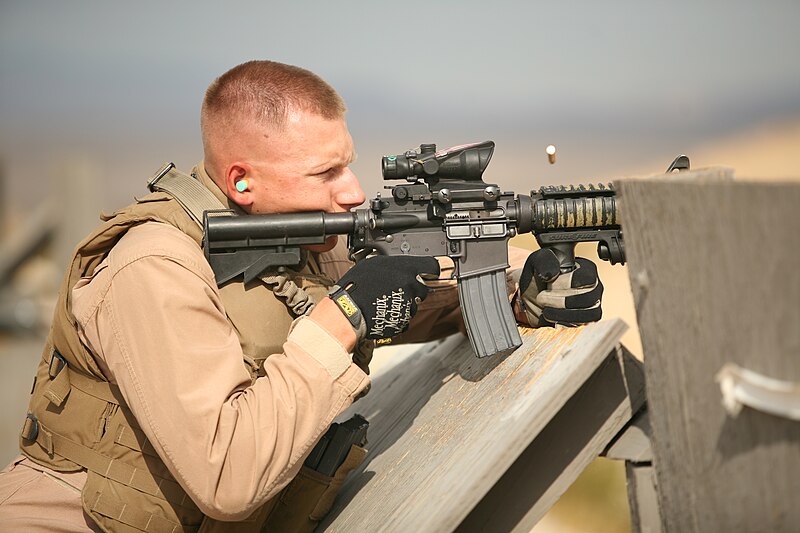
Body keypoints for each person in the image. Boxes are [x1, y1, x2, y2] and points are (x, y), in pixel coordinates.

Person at [0, 60, 603, 532]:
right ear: (242, 180)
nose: (353, 191)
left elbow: (403, 286)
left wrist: (519, 286)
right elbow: (228, 476)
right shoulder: (153, 268)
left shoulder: (295, 239)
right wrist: (342, 318)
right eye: (325, 174)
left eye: (349, 165)